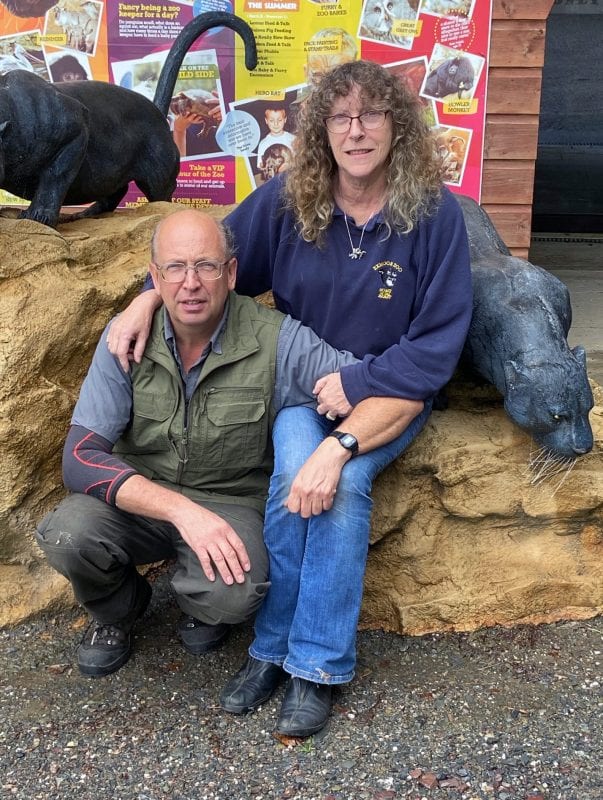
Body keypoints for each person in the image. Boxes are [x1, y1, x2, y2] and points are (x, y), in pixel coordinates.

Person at [107, 60, 473, 737]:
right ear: (321, 131)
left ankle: (315, 665)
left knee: (339, 489)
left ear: (396, 125)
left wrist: (355, 396)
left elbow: (437, 344)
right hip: (304, 383)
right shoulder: (289, 199)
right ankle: (272, 649)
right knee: (289, 488)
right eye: (340, 117)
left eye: (371, 115)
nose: (356, 131)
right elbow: (209, 260)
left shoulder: (433, 214)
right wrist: (147, 295)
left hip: (390, 390)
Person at [36, 209, 417, 680]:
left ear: (232, 273)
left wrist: (340, 446)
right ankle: (118, 609)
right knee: (67, 534)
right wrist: (180, 511)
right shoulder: (126, 337)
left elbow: (390, 391)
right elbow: (79, 460)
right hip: (144, 496)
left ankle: (200, 600)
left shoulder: (278, 341)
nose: (190, 283)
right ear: (154, 278)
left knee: (237, 594)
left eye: (206, 266)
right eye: (175, 268)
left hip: (231, 502)